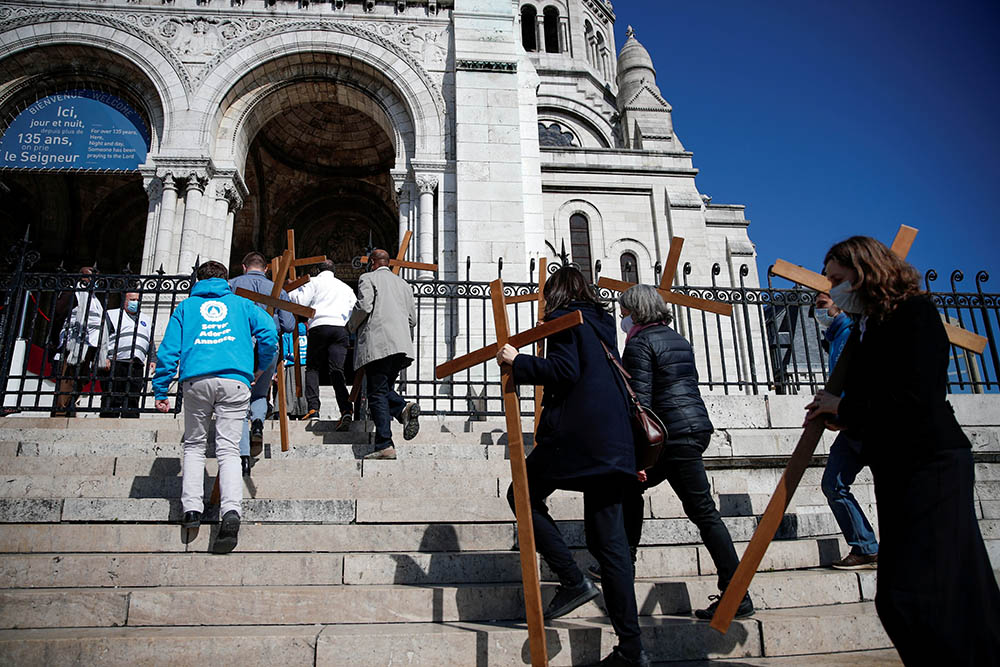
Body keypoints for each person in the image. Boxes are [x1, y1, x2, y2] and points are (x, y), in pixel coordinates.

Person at [804, 236, 1000, 664]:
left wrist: (847, 406)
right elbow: (879, 397)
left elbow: (917, 395)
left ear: (864, 273)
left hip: (932, 464)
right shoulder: (868, 327)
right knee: (912, 595)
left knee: (923, 593)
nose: (831, 289)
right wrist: (842, 414)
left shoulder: (914, 314)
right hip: (898, 466)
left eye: (838, 279)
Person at [496, 266, 649, 667]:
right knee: (610, 547)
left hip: (578, 437)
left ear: (557, 295)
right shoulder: (603, 323)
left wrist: (518, 361)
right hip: (614, 442)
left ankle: (570, 578)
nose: (544, 303)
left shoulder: (565, 321)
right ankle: (631, 650)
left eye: (547, 296)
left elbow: (565, 372)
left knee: (522, 494)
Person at [612, 284, 753, 622]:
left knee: (696, 509)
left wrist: (639, 458)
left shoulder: (640, 343)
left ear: (636, 311)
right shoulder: (678, 338)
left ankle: (735, 592)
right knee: (685, 505)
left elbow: (640, 404)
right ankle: (623, 563)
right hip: (694, 428)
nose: (621, 316)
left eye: (624, 310)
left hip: (670, 436)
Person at [153, 260, 277, 555]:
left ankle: (192, 509)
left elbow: (168, 350)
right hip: (235, 380)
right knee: (229, 449)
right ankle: (231, 511)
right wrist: (260, 366)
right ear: (225, 279)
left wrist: (161, 388)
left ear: (198, 279)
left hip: (196, 379)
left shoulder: (185, 307)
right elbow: (270, 334)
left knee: (194, 445)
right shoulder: (243, 305)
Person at [815, 291, 879, 569]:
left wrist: (840, 408)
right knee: (833, 483)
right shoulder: (835, 339)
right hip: (850, 425)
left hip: (870, 423)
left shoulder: (854, 333)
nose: (817, 312)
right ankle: (865, 546)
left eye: (821, 305)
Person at [347, 249, 420, 460]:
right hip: (401, 346)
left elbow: (365, 305)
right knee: (384, 388)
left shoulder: (367, 278)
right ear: (388, 263)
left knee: (376, 394)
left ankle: (385, 444)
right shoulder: (404, 284)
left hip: (379, 343)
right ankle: (402, 409)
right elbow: (412, 320)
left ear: (372, 263)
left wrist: (350, 325)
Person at [229, 251, 295, 476]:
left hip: (239, 347)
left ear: (244, 267)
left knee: (236, 400)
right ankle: (257, 421)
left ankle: (243, 457)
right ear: (266, 269)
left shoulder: (231, 286)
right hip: (268, 348)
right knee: (260, 394)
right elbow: (288, 324)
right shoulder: (276, 290)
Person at [288, 260, 357, 428]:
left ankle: (313, 408)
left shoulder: (314, 281)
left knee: (313, 368)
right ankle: (346, 409)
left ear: (318, 270)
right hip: (340, 329)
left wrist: (292, 289)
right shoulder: (345, 287)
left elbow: (300, 301)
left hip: (319, 326)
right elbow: (354, 307)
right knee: (337, 370)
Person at [50, 266, 107, 416]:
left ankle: (71, 408)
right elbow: (58, 315)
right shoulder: (73, 293)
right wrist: (57, 340)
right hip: (74, 343)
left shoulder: (95, 298)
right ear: (83, 278)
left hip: (91, 345)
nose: (96, 281)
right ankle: (61, 412)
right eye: (92, 277)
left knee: (81, 378)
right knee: (67, 378)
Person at [99, 291, 157, 418]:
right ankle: (108, 421)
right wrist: (104, 358)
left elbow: (150, 341)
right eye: (132, 299)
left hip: (136, 363)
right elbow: (103, 338)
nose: (135, 302)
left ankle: (130, 419)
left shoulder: (146, 319)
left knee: (133, 397)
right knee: (112, 395)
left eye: (137, 299)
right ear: (124, 301)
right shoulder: (113, 315)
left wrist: (153, 359)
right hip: (117, 361)